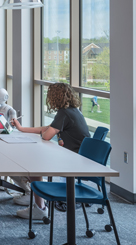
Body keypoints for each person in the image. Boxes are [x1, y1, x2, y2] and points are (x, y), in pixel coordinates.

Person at [10, 82, 90, 219]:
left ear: (55, 97)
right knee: (32, 163)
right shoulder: (72, 111)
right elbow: (46, 128)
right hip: (77, 156)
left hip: (74, 160)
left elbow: (46, 135)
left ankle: (39, 207)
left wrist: (47, 131)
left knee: (33, 166)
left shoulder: (64, 113)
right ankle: (35, 196)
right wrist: (22, 129)